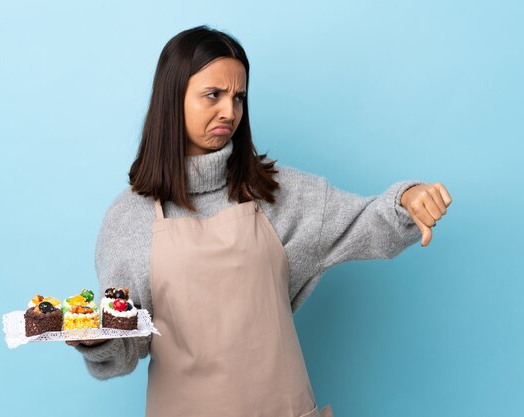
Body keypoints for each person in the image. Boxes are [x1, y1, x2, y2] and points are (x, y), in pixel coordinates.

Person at [67, 25, 452, 417]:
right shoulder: (130, 217)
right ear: (172, 98)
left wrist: (406, 200)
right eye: (213, 95)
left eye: (239, 97)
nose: (229, 111)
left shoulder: (276, 194)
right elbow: (125, 346)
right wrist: (98, 341)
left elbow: (365, 221)